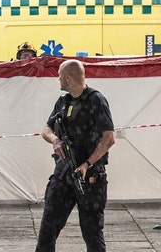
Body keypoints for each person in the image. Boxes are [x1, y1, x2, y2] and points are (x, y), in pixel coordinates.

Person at [36, 59, 115, 252]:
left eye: (60, 75)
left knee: (92, 234)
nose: (58, 79)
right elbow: (46, 129)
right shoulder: (63, 102)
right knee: (48, 229)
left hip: (89, 177)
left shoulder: (96, 100)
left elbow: (109, 139)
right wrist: (55, 140)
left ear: (69, 77)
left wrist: (88, 163)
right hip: (64, 174)